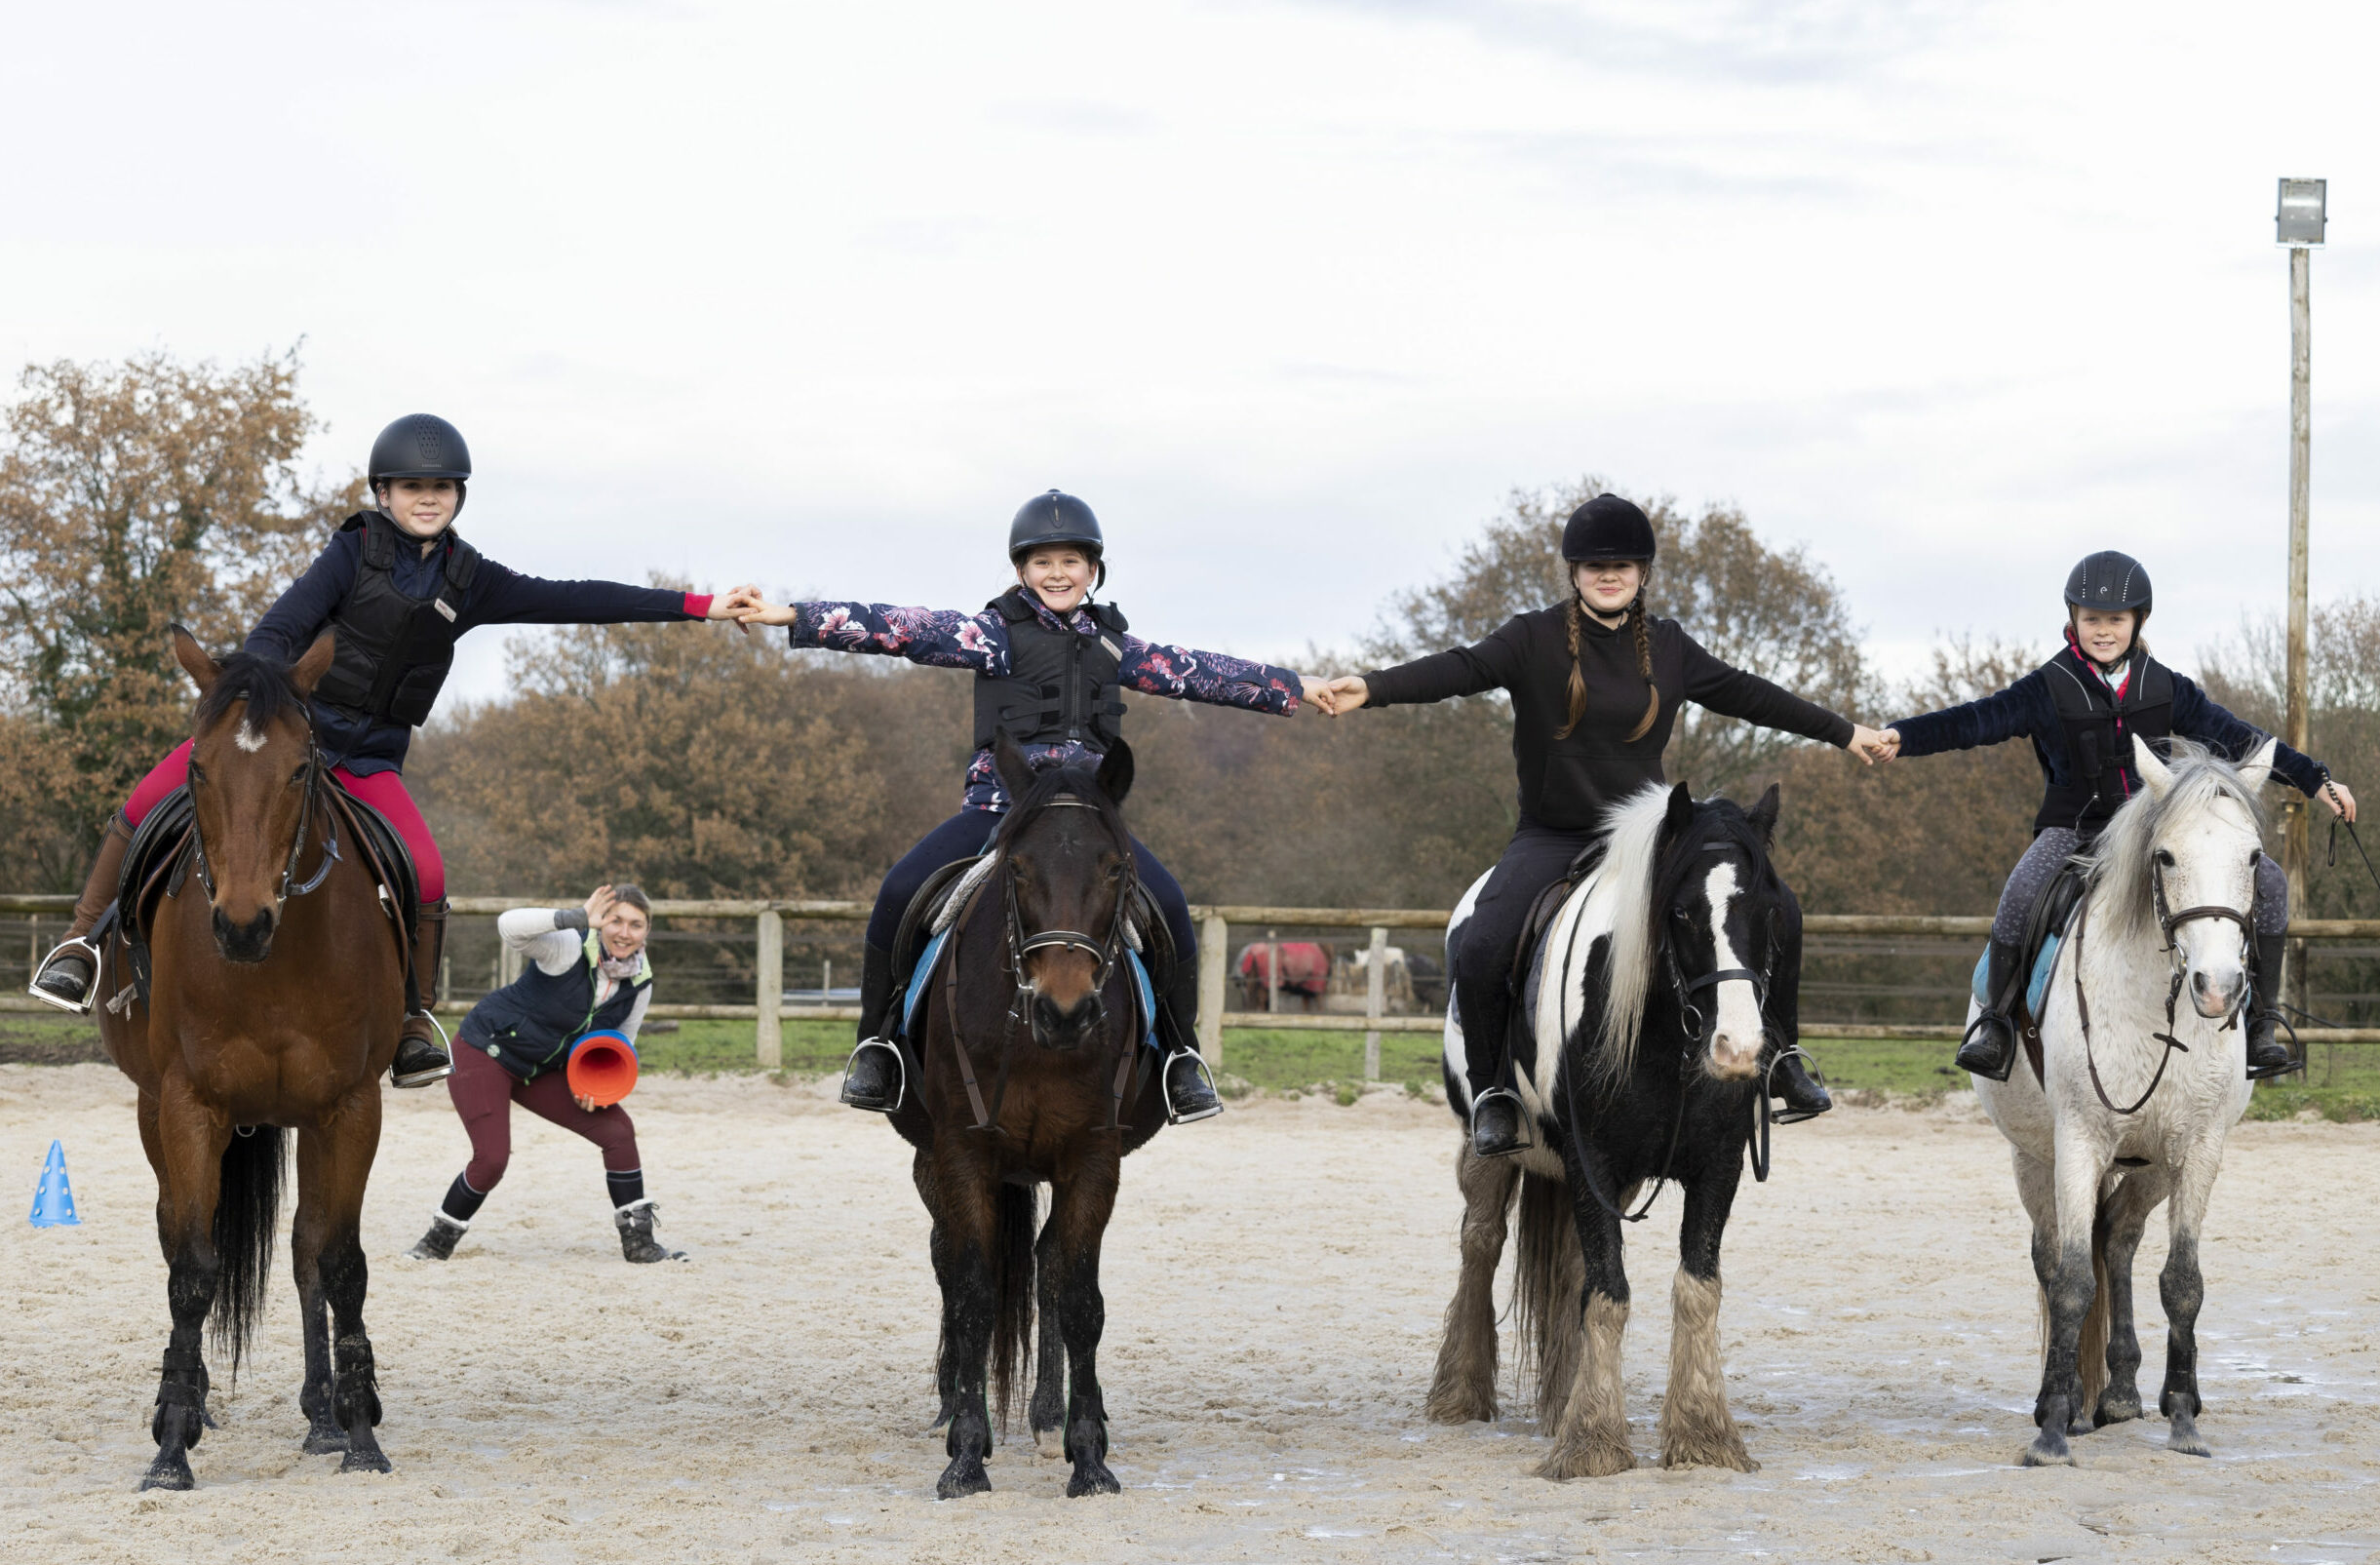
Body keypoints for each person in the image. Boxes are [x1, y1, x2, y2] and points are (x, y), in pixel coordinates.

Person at [28, 414, 758, 1089]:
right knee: (144, 799)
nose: (427, 498)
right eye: (413, 486)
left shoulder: (471, 580)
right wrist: (258, 704)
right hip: (288, 742)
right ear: (385, 492)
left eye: (440, 487)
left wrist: (700, 607)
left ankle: (414, 1015)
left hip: (370, 760)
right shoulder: (352, 553)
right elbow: (278, 630)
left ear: (457, 496)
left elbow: (575, 595)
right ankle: (79, 945)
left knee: (430, 873)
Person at [1320, 493, 1893, 1159]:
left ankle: (1782, 1058)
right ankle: (1492, 1093)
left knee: (1778, 907)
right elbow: (1458, 667)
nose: (1608, 574)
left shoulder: (1672, 648)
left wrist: (1844, 731)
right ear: (1573, 571)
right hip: (1553, 836)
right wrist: (1371, 685)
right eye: (1594, 565)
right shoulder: (1530, 638)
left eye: (1621, 564)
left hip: (1648, 838)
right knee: (1480, 948)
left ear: (1642, 572)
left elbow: (1751, 693)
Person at [731, 489, 1327, 1122]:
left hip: (1089, 819)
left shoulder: (1115, 647)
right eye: (1042, 563)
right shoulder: (989, 635)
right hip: (1000, 809)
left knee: (1172, 905)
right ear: (1021, 570)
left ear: (1091, 569)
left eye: (1070, 561)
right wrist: (790, 614)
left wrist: (1297, 687)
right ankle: (876, 1045)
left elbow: (1202, 671)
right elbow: (897, 627)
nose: (1057, 573)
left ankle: (1181, 1055)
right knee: (899, 887)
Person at [1878, 550, 2357, 1080]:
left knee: (2267, 881)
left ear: (2138, 621)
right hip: (2074, 829)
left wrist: (2315, 780)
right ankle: (1995, 1025)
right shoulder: (2047, 687)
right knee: (2017, 897)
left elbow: (2238, 735)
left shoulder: (2168, 686)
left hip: (2157, 828)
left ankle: (2263, 1021)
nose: (2103, 630)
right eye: (2092, 619)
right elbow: (1973, 720)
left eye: (2115, 620)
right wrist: (1906, 734)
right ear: (2073, 620)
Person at [408, 884, 686, 1264]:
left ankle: (640, 1242)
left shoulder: (640, 982)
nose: (624, 932)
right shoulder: (569, 947)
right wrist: (573, 917)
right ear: (600, 920)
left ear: (647, 930)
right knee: (491, 1160)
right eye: (615, 920)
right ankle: (437, 1241)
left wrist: (596, 1086)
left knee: (617, 1131)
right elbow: (508, 926)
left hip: (541, 1068)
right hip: (485, 1050)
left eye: (636, 924)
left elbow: (621, 1042)